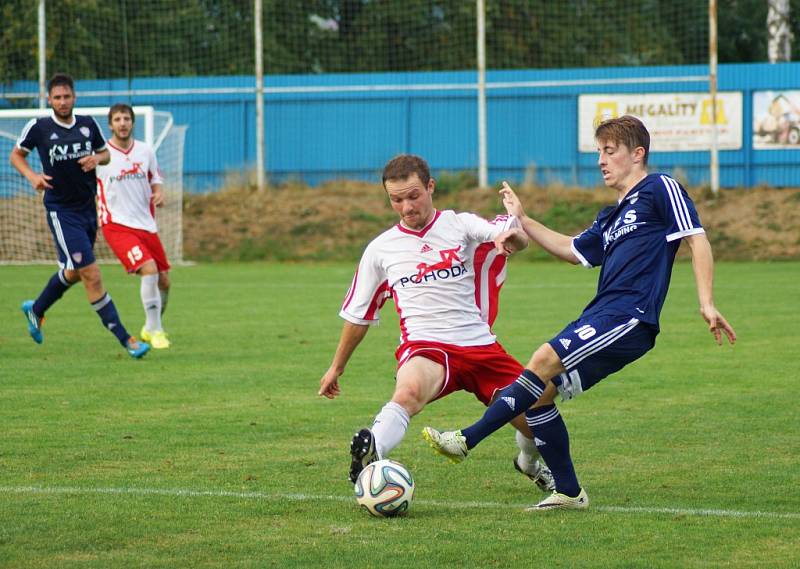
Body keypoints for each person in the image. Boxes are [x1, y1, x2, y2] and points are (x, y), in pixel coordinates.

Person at [422, 115, 737, 511]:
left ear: (638, 154)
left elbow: (696, 237)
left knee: (541, 360)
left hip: (629, 315)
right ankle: (569, 492)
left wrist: (706, 302)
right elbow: (573, 250)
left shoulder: (660, 187)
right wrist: (523, 219)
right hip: (602, 313)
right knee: (539, 396)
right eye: (599, 152)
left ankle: (466, 440)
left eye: (610, 151)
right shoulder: (612, 215)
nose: (601, 161)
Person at [318, 154, 554, 492]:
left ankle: (528, 462)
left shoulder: (459, 224)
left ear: (430, 187)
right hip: (427, 347)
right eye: (396, 200)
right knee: (408, 392)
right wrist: (336, 367)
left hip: (479, 345)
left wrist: (509, 238)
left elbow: (511, 234)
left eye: (413, 195)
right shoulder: (381, 249)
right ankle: (372, 454)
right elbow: (359, 314)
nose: (406, 207)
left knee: (536, 416)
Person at [11, 73, 150, 358]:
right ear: (49, 99)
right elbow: (16, 155)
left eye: (67, 97)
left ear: (74, 97)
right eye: (57, 97)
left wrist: (96, 159)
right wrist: (31, 176)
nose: (62, 102)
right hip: (61, 212)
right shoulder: (39, 127)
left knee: (75, 272)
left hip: (88, 208)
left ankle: (36, 310)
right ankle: (127, 340)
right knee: (92, 274)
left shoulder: (87, 125)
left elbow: (106, 155)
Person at [96, 103, 171, 349]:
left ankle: (150, 327)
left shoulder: (145, 151)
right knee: (148, 270)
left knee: (164, 282)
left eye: (126, 118)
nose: (122, 123)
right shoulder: (100, 154)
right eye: (117, 119)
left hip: (146, 225)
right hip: (116, 224)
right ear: (110, 124)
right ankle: (157, 330)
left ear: (132, 122)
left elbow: (156, 179)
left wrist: (158, 193)